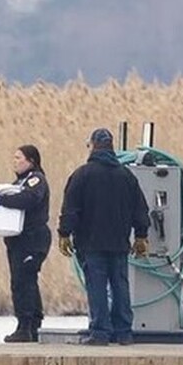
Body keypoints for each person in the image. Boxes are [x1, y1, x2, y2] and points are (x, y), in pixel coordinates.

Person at [57, 128, 150, 346]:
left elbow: (70, 209)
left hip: (91, 243)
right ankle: (124, 332)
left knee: (97, 287)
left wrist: (64, 233)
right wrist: (141, 236)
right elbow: (140, 209)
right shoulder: (127, 176)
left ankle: (100, 332)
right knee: (120, 286)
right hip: (119, 242)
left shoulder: (82, 175)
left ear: (92, 146)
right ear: (111, 147)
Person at [0, 145, 51, 343]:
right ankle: (31, 324)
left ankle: (26, 325)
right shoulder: (18, 182)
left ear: (31, 160)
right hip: (19, 240)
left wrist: (1, 200)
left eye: (19, 158)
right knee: (24, 281)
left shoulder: (36, 179)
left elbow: (28, 199)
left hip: (32, 238)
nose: (14, 161)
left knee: (23, 281)